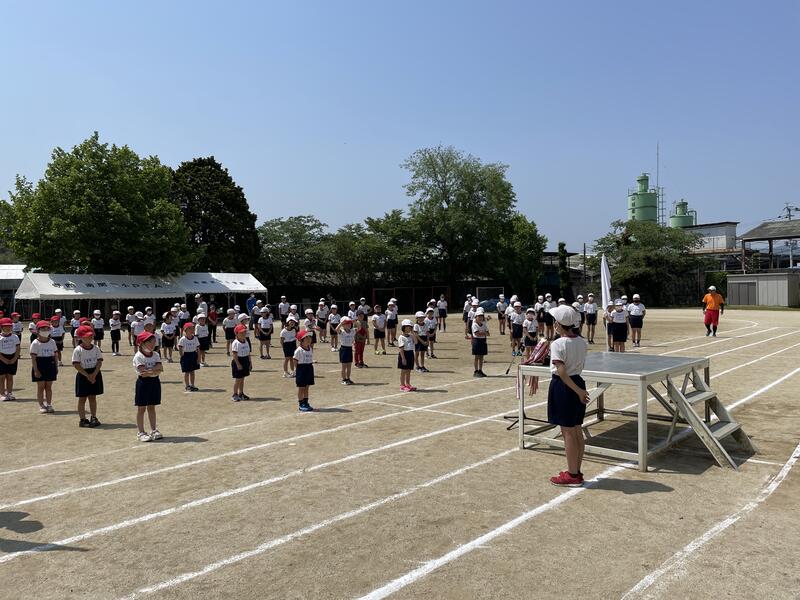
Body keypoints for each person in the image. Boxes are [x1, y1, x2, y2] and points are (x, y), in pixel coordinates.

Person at [547, 305, 590, 487]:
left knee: (568, 432)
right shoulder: (582, 341)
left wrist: (578, 391)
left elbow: (562, 371)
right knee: (577, 429)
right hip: (578, 381)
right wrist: (579, 390)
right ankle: (576, 471)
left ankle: (572, 475)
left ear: (558, 324)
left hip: (564, 386)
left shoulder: (558, 344)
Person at [132, 331, 163, 442]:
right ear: (142, 343)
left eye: (154, 342)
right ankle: (141, 432)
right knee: (141, 408)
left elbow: (161, 369)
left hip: (155, 382)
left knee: (152, 407)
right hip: (143, 384)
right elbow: (143, 374)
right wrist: (154, 370)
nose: (153, 344)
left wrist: (150, 370)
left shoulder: (156, 354)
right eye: (150, 342)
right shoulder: (138, 356)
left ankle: (154, 430)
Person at [72, 326, 103, 428]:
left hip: (95, 373)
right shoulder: (78, 350)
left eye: (91, 336)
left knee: (92, 397)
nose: (89, 339)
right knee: (82, 398)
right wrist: (88, 375)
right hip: (83, 374)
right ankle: (82, 419)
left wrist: (94, 374)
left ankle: (93, 417)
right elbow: (76, 364)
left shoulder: (96, 348)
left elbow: (99, 362)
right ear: (80, 337)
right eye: (86, 337)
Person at [31, 319, 58, 414]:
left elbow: (55, 355)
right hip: (40, 365)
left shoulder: (52, 342)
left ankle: (49, 404)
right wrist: (36, 370)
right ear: (38, 331)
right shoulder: (35, 343)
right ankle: (41, 405)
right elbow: (33, 358)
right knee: (41, 386)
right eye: (43, 329)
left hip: (50, 364)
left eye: (47, 329)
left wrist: (56, 367)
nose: (45, 331)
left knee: (49, 386)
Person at [293, 330, 315, 412]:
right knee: (301, 387)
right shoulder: (299, 350)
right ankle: (301, 403)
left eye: (309, 337)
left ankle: (306, 402)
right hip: (301, 369)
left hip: (309, 368)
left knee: (307, 387)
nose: (309, 339)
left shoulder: (310, 348)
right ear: (301, 340)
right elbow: (295, 361)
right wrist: (298, 370)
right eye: (306, 338)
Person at [0, 317, 21, 402]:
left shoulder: (15, 337)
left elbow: (18, 348)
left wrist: (14, 358)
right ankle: (2, 394)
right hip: (1, 358)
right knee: (1, 377)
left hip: (12, 357)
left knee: (10, 376)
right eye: (5, 326)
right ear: (1, 327)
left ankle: (9, 393)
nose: (7, 328)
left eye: (9, 326)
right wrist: (3, 359)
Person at [230, 324, 251, 402]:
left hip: (245, 360)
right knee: (238, 379)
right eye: (241, 333)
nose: (243, 334)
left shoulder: (246, 341)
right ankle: (234, 394)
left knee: (242, 378)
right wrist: (238, 364)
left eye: (244, 332)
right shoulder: (235, 343)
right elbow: (234, 354)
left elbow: (248, 353)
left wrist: (250, 362)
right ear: (237, 334)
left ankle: (241, 393)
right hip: (238, 361)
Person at [178, 323, 200, 392]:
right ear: (185, 330)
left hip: (193, 355)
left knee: (192, 371)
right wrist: (182, 356)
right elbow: (180, 348)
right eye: (190, 328)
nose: (192, 330)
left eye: (193, 328)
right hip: (186, 355)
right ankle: (187, 385)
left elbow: (198, 348)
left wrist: (198, 358)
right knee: (187, 372)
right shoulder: (183, 339)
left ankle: (192, 385)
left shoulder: (195, 338)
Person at [397, 319, 416, 392]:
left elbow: (416, 342)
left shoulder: (411, 336)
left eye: (410, 327)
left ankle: (408, 384)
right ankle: (402, 385)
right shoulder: (401, 337)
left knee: (409, 370)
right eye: (407, 327)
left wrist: (413, 333)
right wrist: (403, 358)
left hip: (410, 353)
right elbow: (401, 349)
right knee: (403, 371)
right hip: (404, 354)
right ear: (403, 327)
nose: (409, 329)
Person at [337, 316, 355, 385]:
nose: (348, 325)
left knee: (349, 365)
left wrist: (354, 321)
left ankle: (348, 378)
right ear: (343, 325)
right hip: (343, 349)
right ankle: (344, 379)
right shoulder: (342, 331)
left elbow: (359, 328)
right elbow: (336, 329)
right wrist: (341, 323)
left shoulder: (352, 331)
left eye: (349, 323)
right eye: (346, 323)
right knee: (344, 366)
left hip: (349, 349)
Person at [471, 308, 489, 377]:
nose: (480, 318)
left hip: (483, 340)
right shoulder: (474, 325)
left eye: (481, 316)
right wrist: (484, 333)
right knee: (477, 356)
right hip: (477, 341)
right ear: (476, 317)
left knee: (481, 356)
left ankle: (480, 370)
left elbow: (488, 333)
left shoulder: (484, 324)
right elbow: (477, 334)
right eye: (479, 316)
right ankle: (476, 370)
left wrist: (482, 333)